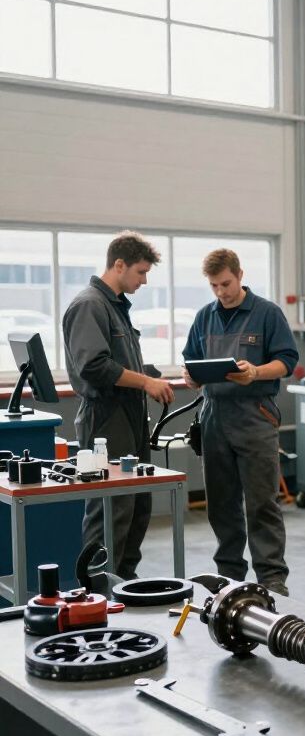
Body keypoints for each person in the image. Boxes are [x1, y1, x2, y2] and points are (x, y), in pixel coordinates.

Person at [182, 249, 298, 596]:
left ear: (240, 275)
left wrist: (257, 373)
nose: (222, 292)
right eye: (215, 286)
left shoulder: (267, 314)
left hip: (254, 415)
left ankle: (272, 576)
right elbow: (190, 360)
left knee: (262, 500)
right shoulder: (205, 317)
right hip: (214, 415)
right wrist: (192, 378)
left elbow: (287, 360)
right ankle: (229, 573)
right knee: (221, 501)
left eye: (227, 283)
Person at [63, 231, 175, 579]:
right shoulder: (90, 305)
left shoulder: (115, 307)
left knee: (136, 504)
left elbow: (122, 362)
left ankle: (124, 582)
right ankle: (99, 589)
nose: (143, 281)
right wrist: (145, 382)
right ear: (119, 264)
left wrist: (154, 375)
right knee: (110, 509)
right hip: (105, 421)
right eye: (141, 272)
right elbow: (94, 367)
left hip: (128, 416)